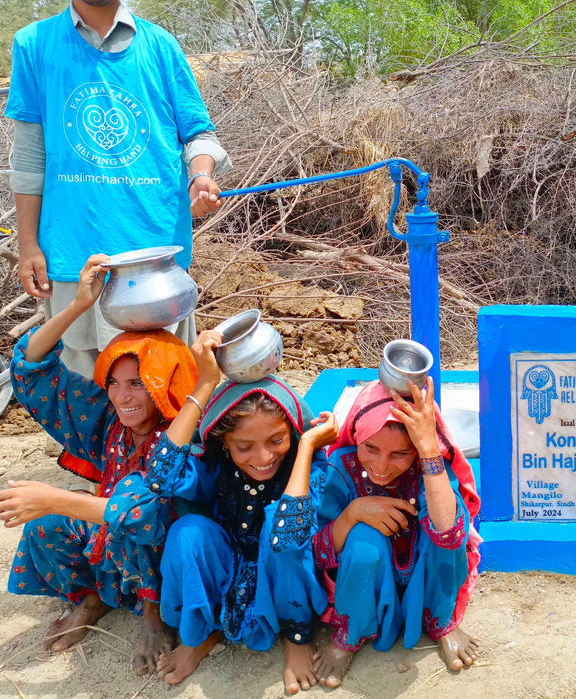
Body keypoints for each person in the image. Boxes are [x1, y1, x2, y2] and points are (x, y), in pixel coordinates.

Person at [5, 0, 231, 377]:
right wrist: (29, 245)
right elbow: (29, 157)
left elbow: (198, 134)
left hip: (155, 256)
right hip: (75, 257)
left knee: (164, 390)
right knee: (91, 394)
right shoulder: (34, 45)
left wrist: (202, 175)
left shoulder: (161, 46)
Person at [0, 253, 198, 674]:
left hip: (165, 560)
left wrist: (54, 497)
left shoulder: (184, 433)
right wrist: (76, 306)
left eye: (138, 385)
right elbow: (31, 370)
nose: (123, 397)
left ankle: (152, 615)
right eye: (114, 382)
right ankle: (91, 599)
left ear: (166, 386)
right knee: (46, 525)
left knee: (131, 517)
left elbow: (143, 514)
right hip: (112, 541)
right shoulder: (107, 421)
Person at [146, 330, 338, 694]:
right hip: (226, 561)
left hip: (283, 569)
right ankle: (200, 635)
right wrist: (204, 386)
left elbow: (289, 536)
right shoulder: (215, 467)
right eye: (244, 446)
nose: (263, 457)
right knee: (188, 532)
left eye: (277, 441)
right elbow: (159, 476)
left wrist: (307, 447)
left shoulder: (307, 467)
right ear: (223, 441)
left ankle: (296, 636)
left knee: (277, 528)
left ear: (293, 434)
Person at [311, 377, 482, 689]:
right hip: (365, 580)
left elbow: (451, 536)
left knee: (444, 529)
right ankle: (353, 628)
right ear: (356, 436)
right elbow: (319, 549)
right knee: (364, 544)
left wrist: (429, 449)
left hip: (423, 574)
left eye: (400, 454)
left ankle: (440, 619)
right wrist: (353, 514)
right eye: (371, 448)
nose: (381, 465)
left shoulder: (428, 467)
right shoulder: (340, 468)